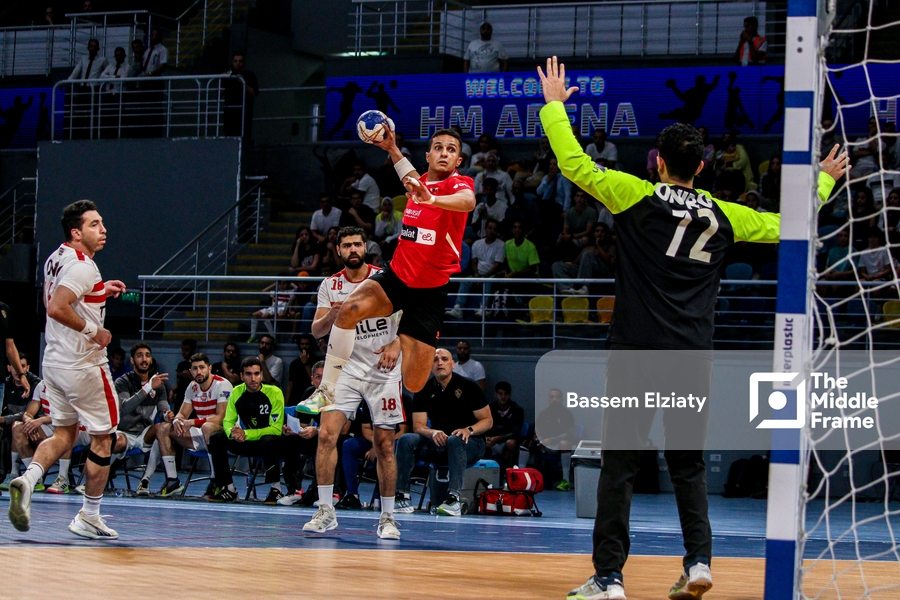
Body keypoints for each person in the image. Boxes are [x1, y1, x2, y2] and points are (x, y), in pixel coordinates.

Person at [536, 56, 848, 600]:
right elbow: (789, 227)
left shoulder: (635, 195)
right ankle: (699, 562)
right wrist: (821, 181)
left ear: (658, 163)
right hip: (692, 360)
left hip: (636, 356)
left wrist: (556, 107)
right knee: (687, 466)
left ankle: (609, 578)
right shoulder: (727, 215)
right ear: (700, 167)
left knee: (620, 468)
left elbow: (574, 165)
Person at [297, 126, 475, 414]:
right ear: (428, 155)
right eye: (439, 147)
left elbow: (468, 202)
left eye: (452, 150)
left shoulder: (458, 185)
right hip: (397, 276)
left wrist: (431, 199)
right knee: (349, 310)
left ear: (458, 161)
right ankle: (326, 391)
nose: (445, 152)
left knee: (415, 383)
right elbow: (409, 176)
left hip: (430, 291)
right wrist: (392, 147)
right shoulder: (419, 183)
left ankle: (402, 334)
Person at [8, 200, 126, 539]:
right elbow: (59, 307)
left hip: (54, 362)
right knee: (104, 438)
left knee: (64, 435)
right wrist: (95, 331)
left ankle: (28, 480)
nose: (103, 230)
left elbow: (65, 298)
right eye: (94, 224)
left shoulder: (57, 257)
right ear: (76, 232)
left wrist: (102, 291)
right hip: (84, 365)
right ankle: (89, 515)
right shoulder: (84, 266)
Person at [301, 227, 405, 539]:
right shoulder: (330, 285)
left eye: (357, 243)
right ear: (339, 250)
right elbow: (317, 331)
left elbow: (409, 316)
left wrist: (397, 344)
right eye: (347, 245)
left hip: (382, 370)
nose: (353, 249)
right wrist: (333, 314)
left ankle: (387, 518)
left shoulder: (384, 277)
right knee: (326, 436)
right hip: (343, 369)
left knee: (385, 445)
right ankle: (325, 511)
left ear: (365, 246)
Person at [394, 349, 492, 515]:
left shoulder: (469, 386)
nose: (439, 362)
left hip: (472, 443)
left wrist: (468, 430)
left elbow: (487, 420)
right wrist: (432, 432)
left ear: (452, 364)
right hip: (441, 443)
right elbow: (418, 425)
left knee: (455, 439)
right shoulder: (423, 389)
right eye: (435, 360)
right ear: (430, 366)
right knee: (405, 440)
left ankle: (454, 498)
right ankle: (402, 496)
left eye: (444, 359)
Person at [139, 352, 232, 497]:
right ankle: (172, 480)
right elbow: (182, 415)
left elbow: (221, 418)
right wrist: (176, 421)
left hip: (225, 435)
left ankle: (216, 480)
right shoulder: (192, 387)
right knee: (163, 428)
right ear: (191, 371)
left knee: (208, 428)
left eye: (202, 367)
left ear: (210, 369)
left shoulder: (222, 384)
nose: (198, 372)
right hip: (201, 433)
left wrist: (192, 422)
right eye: (195, 369)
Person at [206, 357, 286, 503]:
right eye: (248, 374)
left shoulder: (274, 392)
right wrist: (232, 433)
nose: (253, 378)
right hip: (247, 441)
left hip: (270, 443)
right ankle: (228, 488)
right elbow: (228, 421)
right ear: (242, 376)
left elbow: (275, 429)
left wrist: (246, 433)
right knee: (217, 438)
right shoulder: (237, 392)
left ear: (261, 375)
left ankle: (276, 489)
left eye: (256, 374)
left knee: (268, 440)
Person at [111, 343, 170, 489]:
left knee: (163, 429)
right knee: (117, 443)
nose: (144, 359)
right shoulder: (122, 382)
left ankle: (146, 481)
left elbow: (163, 408)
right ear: (132, 360)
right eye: (140, 356)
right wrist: (148, 387)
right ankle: (100, 476)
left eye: (147, 355)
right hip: (123, 431)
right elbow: (124, 407)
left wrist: (168, 414)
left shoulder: (159, 385)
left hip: (144, 432)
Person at [445, 219, 505, 320]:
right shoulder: (477, 243)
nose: (492, 231)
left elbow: (497, 265)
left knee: (489, 281)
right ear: (485, 229)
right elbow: (474, 262)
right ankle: (458, 308)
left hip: (491, 275)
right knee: (466, 280)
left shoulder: (501, 245)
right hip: (478, 274)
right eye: (490, 228)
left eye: (495, 229)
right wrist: (476, 275)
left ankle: (484, 308)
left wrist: (484, 278)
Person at [0, 353, 41, 489]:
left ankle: (18, 474)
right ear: (8, 368)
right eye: (15, 366)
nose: (19, 370)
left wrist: (4, 419)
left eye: (22, 366)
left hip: (34, 423)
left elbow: (29, 413)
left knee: (14, 427)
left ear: (27, 368)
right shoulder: (5, 384)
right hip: (10, 421)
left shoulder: (36, 384)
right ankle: (12, 474)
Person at [484, 381, 525, 477]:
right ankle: (482, 474)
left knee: (511, 443)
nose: (503, 397)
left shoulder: (517, 410)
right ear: (496, 394)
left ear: (509, 394)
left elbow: (516, 432)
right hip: (490, 440)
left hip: (505, 441)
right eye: (500, 394)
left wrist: (499, 438)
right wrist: (486, 437)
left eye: (506, 394)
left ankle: (507, 474)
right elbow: (483, 426)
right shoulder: (489, 408)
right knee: (478, 441)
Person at [222, 53, 259, 138]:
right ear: (232, 62)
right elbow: (220, 92)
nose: (238, 63)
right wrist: (222, 78)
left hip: (245, 112)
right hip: (230, 112)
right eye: (235, 61)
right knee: (229, 136)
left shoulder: (250, 75)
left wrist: (242, 82)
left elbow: (254, 93)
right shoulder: (229, 76)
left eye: (240, 61)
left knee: (244, 136)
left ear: (244, 63)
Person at [285, 334, 321, 406]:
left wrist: (306, 364)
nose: (304, 346)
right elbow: (290, 385)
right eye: (302, 344)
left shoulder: (318, 361)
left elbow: (315, 380)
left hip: (311, 398)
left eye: (307, 344)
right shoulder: (294, 363)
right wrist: (285, 404)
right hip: (296, 399)